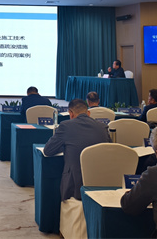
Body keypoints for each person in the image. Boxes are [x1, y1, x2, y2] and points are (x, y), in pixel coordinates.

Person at [44, 98, 110, 238]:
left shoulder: (65, 126)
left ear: (71, 113)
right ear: (88, 113)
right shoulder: (102, 127)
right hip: (102, 182)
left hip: (75, 185)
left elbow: (48, 150)